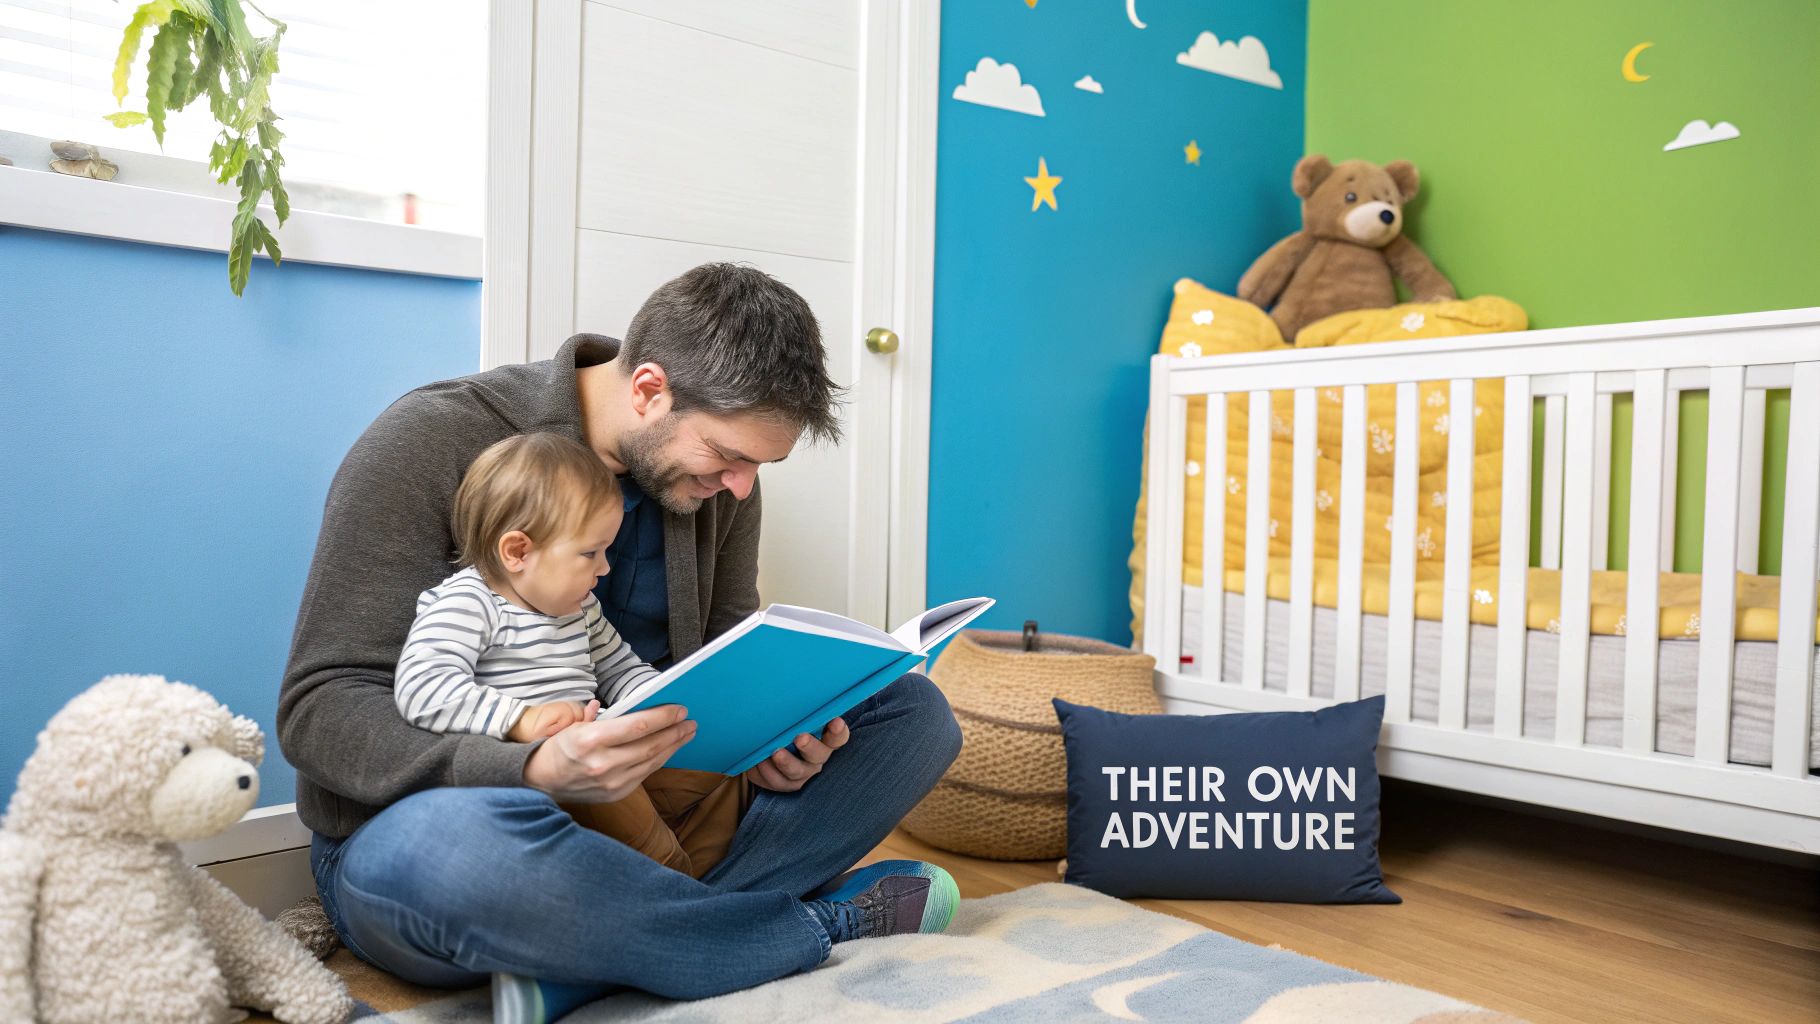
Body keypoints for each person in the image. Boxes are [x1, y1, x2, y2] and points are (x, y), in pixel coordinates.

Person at [279, 263, 964, 1023]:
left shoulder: (720, 489)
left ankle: (603, 955)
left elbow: (727, 662)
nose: (740, 486)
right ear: (647, 389)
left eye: (758, 468)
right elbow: (320, 709)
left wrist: (776, 737)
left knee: (913, 715)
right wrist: (531, 763)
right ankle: (802, 927)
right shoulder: (431, 440)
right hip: (458, 822)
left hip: (654, 809)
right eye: (727, 456)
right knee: (459, 855)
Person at [395, 430, 735, 877]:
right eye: (590, 552)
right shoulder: (469, 602)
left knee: (726, 769)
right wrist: (521, 720)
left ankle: (698, 881)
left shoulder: (580, 607)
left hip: (599, 750)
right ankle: (676, 886)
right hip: (542, 781)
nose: (604, 568)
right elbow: (423, 687)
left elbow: (619, 667)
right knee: (625, 810)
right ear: (518, 551)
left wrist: (666, 699)